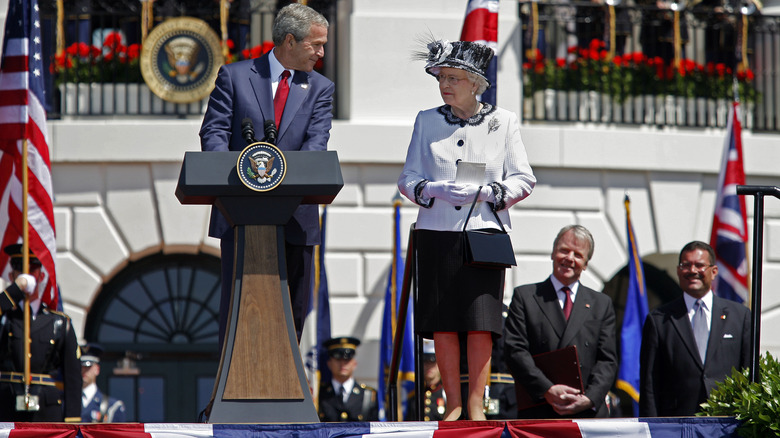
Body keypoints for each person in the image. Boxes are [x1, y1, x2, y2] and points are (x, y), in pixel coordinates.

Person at [398, 39, 536, 421]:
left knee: (480, 323)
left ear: (475, 83)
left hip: (484, 232)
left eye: (454, 78)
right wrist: (430, 190)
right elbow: (407, 177)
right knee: (443, 322)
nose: (445, 84)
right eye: (442, 77)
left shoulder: (503, 121)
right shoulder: (427, 119)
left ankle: (476, 406)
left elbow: (524, 178)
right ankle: (453, 405)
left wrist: (494, 193)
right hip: (436, 231)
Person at [199, 3, 333, 347]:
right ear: (290, 41)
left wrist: (286, 180)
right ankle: (231, 393)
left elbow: (316, 144)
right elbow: (213, 133)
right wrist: (228, 176)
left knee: (293, 310)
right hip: (239, 212)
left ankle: (287, 388)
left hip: (296, 216)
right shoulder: (235, 76)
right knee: (238, 309)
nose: (320, 53)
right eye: (315, 45)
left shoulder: (320, 88)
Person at [504, 225, 618, 418]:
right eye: (564, 250)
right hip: (540, 409)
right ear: (553, 253)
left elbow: (607, 360)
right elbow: (515, 350)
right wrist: (547, 389)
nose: (569, 258)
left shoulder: (601, 304)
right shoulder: (526, 297)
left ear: (586, 263)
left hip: (587, 414)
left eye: (578, 254)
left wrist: (590, 398)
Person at [639, 241, 751, 417]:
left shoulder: (740, 316)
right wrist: (651, 427)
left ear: (714, 272)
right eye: (686, 265)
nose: (692, 271)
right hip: (677, 423)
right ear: (678, 271)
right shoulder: (659, 319)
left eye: (699, 265)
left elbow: (749, 375)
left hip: (725, 422)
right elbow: (649, 383)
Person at [0, 244, 82, 422]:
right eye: (20, 270)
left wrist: (72, 421)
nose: (26, 274)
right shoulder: (5, 318)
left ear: (41, 275)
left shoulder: (59, 322)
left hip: (46, 410)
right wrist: (14, 290)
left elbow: (73, 377)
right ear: (12, 276)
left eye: (32, 270)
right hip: (7, 405)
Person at [317, 337, 378, 422]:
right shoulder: (319, 394)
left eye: (347, 360)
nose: (342, 364)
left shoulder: (369, 395)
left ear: (354, 364)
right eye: (338, 359)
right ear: (329, 364)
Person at [81, 343, 127, 422]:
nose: (84, 370)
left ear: (97, 369)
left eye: (88, 367)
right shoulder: (65, 403)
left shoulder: (113, 406)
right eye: (81, 367)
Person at [407, 339, 446, 421]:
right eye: (425, 362)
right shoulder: (414, 395)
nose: (428, 366)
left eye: (432, 361)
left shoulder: (446, 394)